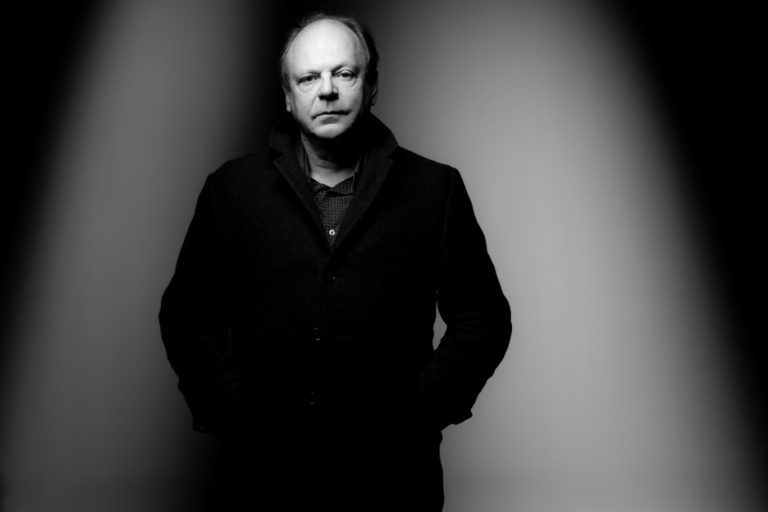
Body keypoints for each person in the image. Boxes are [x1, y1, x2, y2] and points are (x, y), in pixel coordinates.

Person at [159, 12, 511, 512]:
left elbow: (484, 316)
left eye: (344, 73)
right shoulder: (231, 190)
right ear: (288, 96)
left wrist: (424, 406)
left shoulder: (436, 189)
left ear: (371, 86)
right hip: (263, 477)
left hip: (395, 478)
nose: (326, 90)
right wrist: (232, 406)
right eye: (308, 78)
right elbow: (187, 312)